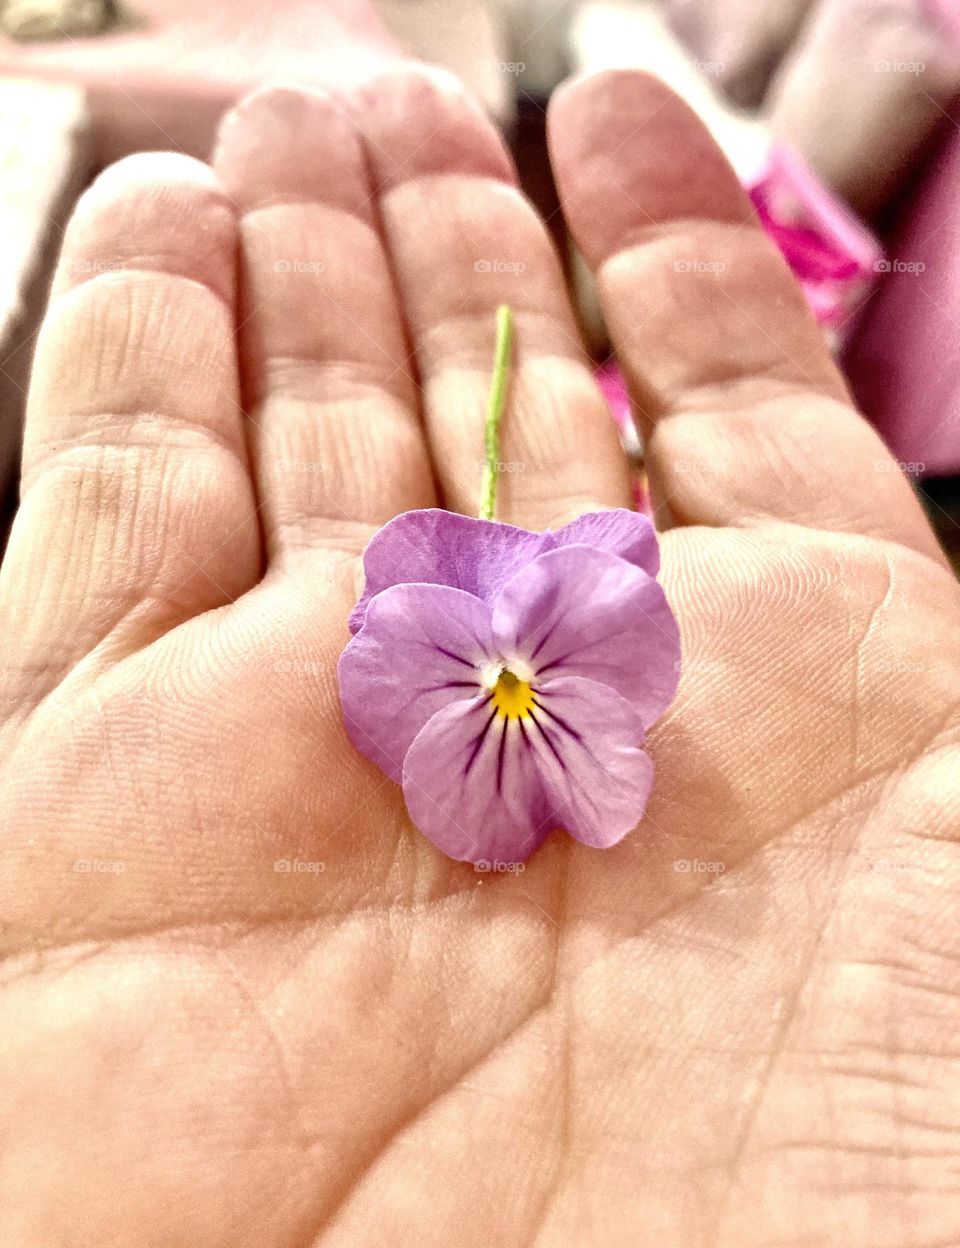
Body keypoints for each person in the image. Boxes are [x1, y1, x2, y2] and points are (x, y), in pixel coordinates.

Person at [0, 65, 958, 1246]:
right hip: (495, 648)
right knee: (514, 537)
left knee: (513, 548)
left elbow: (501, 670)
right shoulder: (527, 668)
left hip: (477, 654)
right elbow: (516, 663)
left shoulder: (504, 672)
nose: (513, 691)